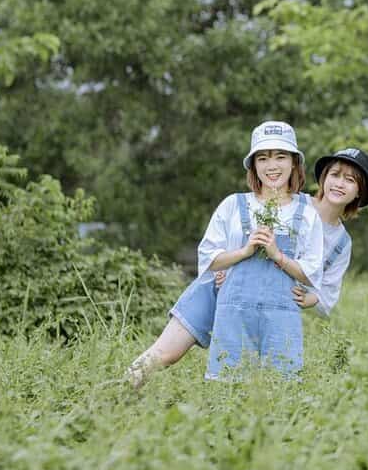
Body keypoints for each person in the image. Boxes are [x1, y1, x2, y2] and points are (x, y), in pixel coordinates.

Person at [126, 120, 324, 387]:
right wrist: (244, 251)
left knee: (281, 390)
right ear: (253, 165)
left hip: (280, 319)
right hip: (234, 315)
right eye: (263, 158)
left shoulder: (307, 214)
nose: (272, 165)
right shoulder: (234, 205)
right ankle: (119, 390)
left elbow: (311, 274)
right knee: (227, 389)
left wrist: (278, 256)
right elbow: (208, 259)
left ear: (294, 163)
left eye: (280, 156)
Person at [291, 148, 368, 318]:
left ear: (359, 191)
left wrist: (311, 298)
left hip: (288, 313)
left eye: (350, 180)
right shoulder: (293, 202)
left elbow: (328, 293)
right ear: (324, 178)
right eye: (335, 174)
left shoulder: (342, 243)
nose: (339, 184)